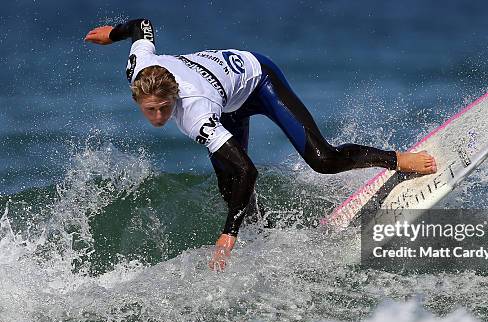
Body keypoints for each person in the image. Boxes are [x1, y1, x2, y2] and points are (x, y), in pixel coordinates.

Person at [84, 18, 437, 272]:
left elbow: (248, 170)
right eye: (151, 110)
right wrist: (114, 34)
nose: (160, 115)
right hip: (225, 98)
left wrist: (227, 235)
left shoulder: (194, 115)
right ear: (137, 98)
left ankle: (396, 159)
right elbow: (142, 27)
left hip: (256, 79)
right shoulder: (139, 68)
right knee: (228, 185)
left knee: (322, 159)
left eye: (165, 107)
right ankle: (273, 238)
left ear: (174, 94)